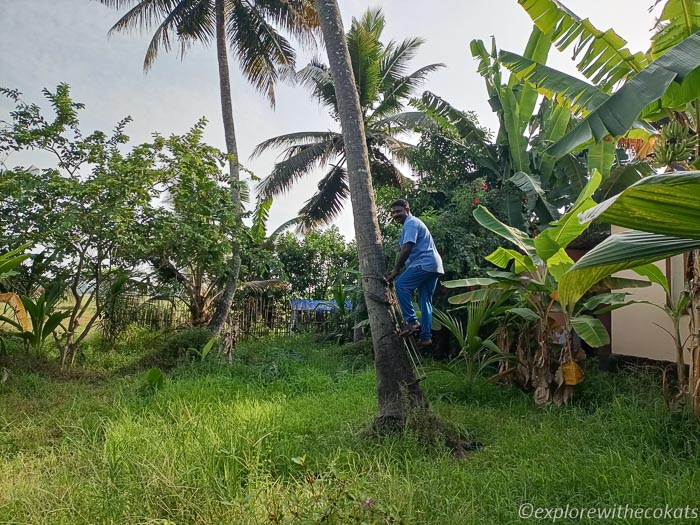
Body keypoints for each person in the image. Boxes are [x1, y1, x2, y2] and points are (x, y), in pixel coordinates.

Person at [385, 199, 443, 348]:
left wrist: (395, 271)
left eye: (398, 211)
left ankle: (411, 321)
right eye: (393, 213)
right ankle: (425, 337)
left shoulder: (410, 223)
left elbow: (407, 247)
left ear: (407, 210)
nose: (395, 215)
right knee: (425, 302)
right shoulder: (413, 223)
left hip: (425, 263)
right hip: (433, 266)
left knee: (401, 285)